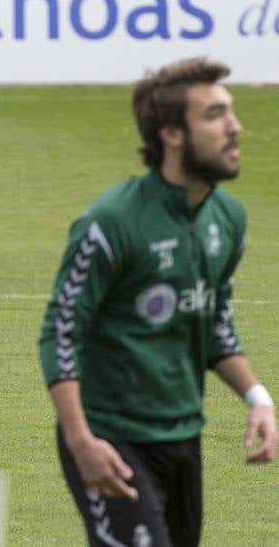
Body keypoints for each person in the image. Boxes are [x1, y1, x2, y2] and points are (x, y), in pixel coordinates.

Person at [38, 57, 275, 546]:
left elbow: (213, 322)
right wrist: (81, 440)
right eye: (215, 115)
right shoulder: (112, 223)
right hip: (110, 437)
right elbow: (61, 330)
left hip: (183, 437)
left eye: (231, 112)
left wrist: (257, 397)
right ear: (171, 133)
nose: (236, 128)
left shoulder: (228, 218)